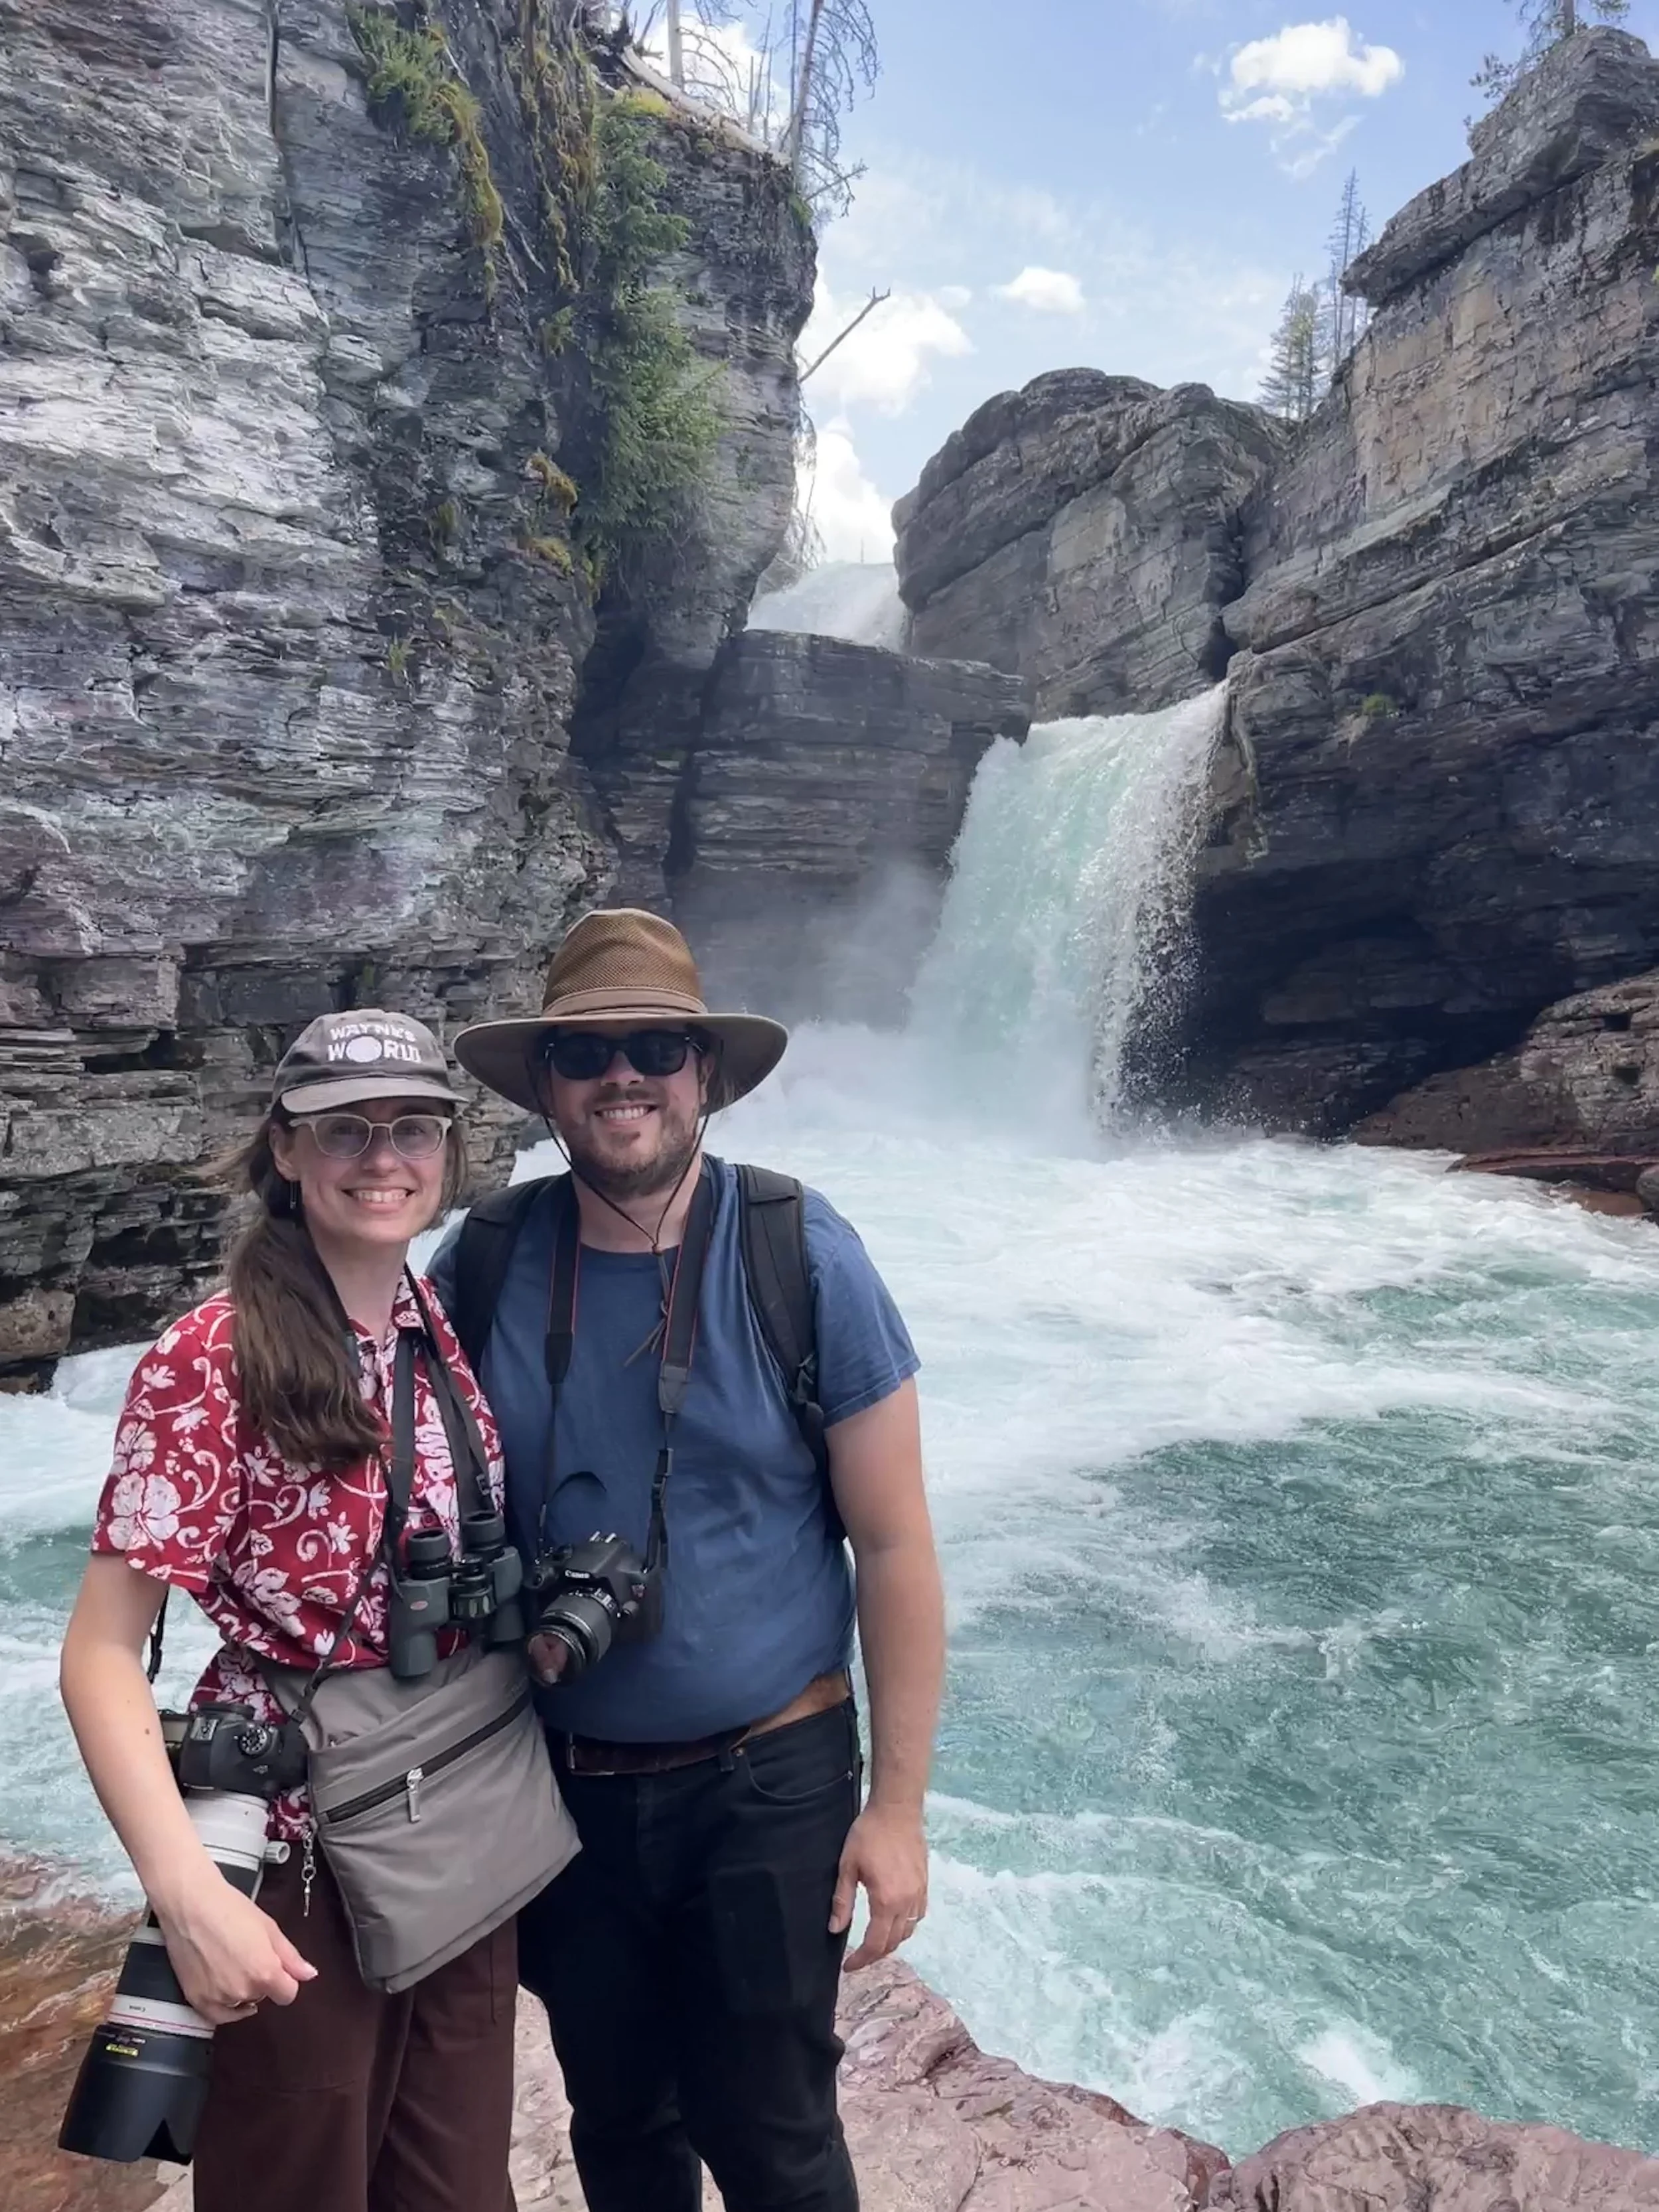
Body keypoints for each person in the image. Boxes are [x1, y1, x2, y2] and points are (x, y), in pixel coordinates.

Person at [432, 907, 946, 2212]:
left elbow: (891, 1545)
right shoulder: (484, 1262)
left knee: (770, 2127)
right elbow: (403, 1513)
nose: (624, 1077)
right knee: (618, 2119)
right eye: (587, 1051)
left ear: (703, 1075)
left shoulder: (796, 1251)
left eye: (655, 1045)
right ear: (544, 1084)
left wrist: (895, 1811)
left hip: (765, 1780)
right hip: (556, 1785)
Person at [59, 1011, 534, 2212]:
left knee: (457, 2190)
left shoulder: (430, 1323)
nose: (384, 1158)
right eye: (345, 1131)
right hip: (292, 1857)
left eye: (412, 1126)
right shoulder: (212, 1356)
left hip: (454, 1834)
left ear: (451, 1148)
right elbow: (102, 1657)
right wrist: (190, 1897)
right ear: (285, 1149)